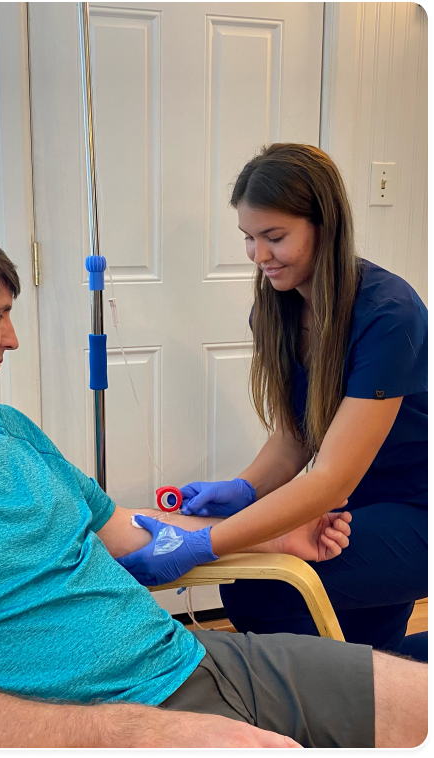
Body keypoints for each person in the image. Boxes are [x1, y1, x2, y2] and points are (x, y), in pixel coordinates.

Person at [0, 215, 427, 750]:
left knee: (415, 701)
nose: (13, 339)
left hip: (183, 659)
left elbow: (129, 530)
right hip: (91, 720)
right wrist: (130, 728)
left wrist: (278, 537)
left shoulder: (9, 429)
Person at [124, 143, 427, 657]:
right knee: (365, 649)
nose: (258, 256)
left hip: (415, 506)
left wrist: (205, 544)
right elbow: (295, 436)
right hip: (357, 504)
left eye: (275, 237)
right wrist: (245, 488)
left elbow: (333, 476)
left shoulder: (388, 314)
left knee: (263, 596)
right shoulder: (278, 310)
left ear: (323, 227)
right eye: (248, 238)